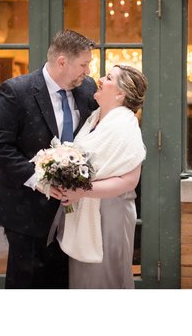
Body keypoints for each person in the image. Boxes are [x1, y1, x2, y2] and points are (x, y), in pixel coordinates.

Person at [0, 30, 98, 289]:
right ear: (61, 62)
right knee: (26, 285)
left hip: (73, 215)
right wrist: (37, 178)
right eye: (83, 64)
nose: (87, 70)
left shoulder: (87, 89)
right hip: (26, 211)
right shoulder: (17, 91)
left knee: (61, 285)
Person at [51, 65, 148, 289]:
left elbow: (129, 180)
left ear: (121, 93)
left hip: (111, 213)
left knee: (105, 278)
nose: (100, 79)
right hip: (84, 211)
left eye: (109, 77)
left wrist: (81, 190)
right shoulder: (95, 118)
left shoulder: (125, 124)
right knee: (85, 280)